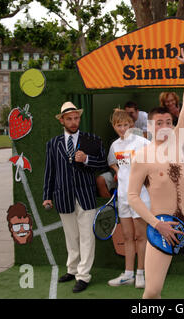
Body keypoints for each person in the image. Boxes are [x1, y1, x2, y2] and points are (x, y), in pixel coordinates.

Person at [127, 48, 184, 299]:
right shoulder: (143, 157)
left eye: (169, 122)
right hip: (161, 226)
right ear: (148, 127)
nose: (166, 126)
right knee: (151, 292)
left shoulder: (178, 141)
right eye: (159, 123)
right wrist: (157, 224)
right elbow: (133, 196)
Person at [43, 101, 108, 293]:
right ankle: (72, 269)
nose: (73, 122)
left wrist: (86, 159)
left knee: (87, 237)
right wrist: (47, 195)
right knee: (71, 237)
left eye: (76, 118)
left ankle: (83, 275)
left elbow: (103, 163)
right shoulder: (53, 144)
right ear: (62, 120)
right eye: (69, 119)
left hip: (86, 195)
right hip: (63, 196)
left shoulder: (92, 140)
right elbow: (50, 171)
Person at [106, 109, 150, 289]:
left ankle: (141, 274)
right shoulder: (115, 145)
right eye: (118, 125)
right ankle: (128, 274)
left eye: (125, 124)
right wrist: (119, 173)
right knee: (127, 236)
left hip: (140, 197)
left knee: (141, 236)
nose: (122, 128)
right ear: (114, 125)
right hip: (123, 196)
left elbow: (153, 164)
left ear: (131, 124)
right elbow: (112, 163)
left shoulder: (143, 142)